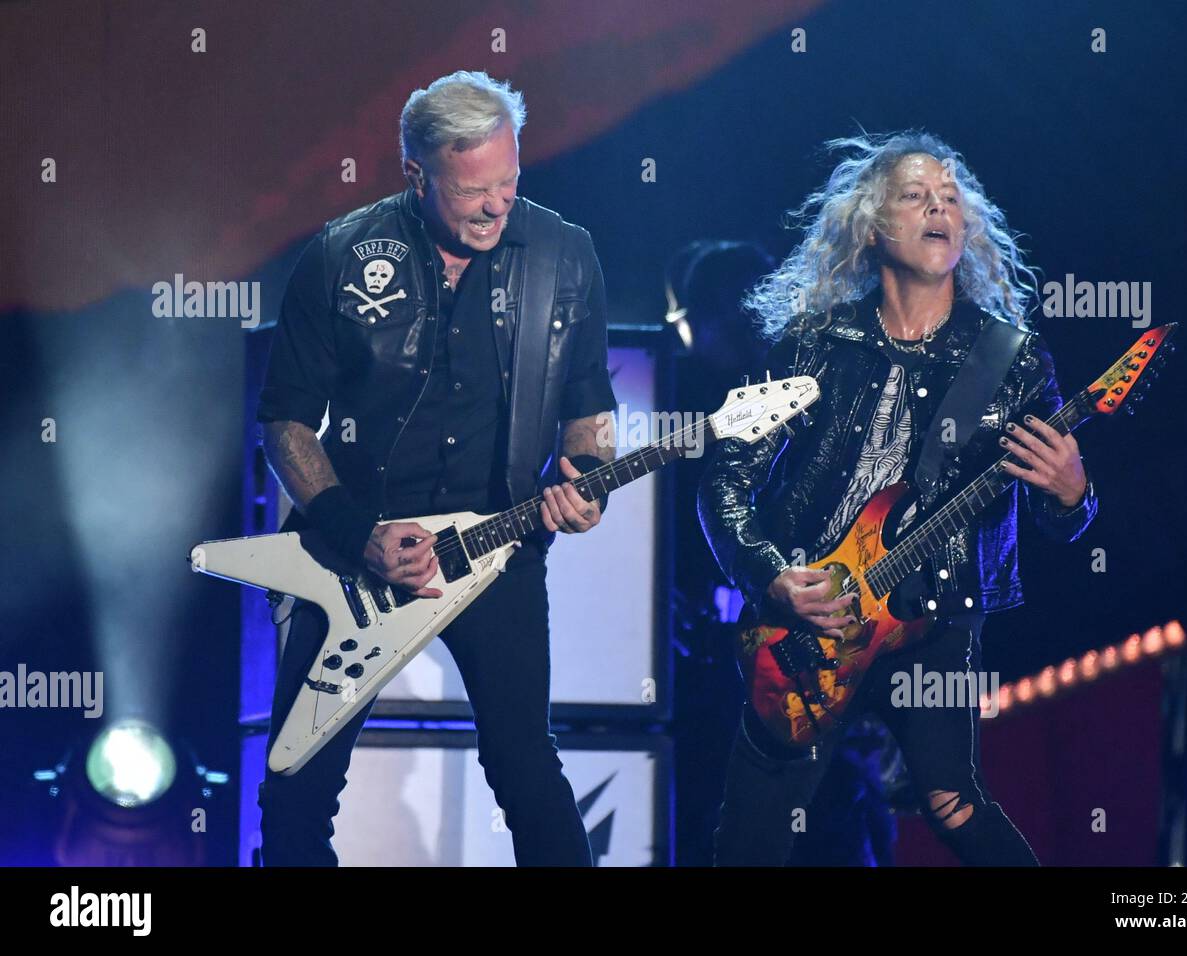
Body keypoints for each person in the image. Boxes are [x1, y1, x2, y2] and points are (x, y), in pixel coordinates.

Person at [697, 130, 1098, 866]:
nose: (939, 207)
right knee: (753, 830)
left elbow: (1057, 521)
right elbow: (725, 478)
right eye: (916, 196)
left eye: (950, 198)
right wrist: (772, 575)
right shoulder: (813, 342)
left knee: (953, 801)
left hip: (937, 615)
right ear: (875, 225)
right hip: (816, 616)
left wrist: (1073, 496)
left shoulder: (1009, 360)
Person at [254, 71, 616, 866]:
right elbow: (284, 420)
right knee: (297, 787)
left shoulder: (565, 255)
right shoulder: (340, 255)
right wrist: (358, 532)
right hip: (353, 551)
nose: (497, 206)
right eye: (473, 190)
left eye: (510, 182)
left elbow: (589, 403)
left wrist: (586, 475)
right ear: (417, 176)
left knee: (525, 769)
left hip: (501, 546)